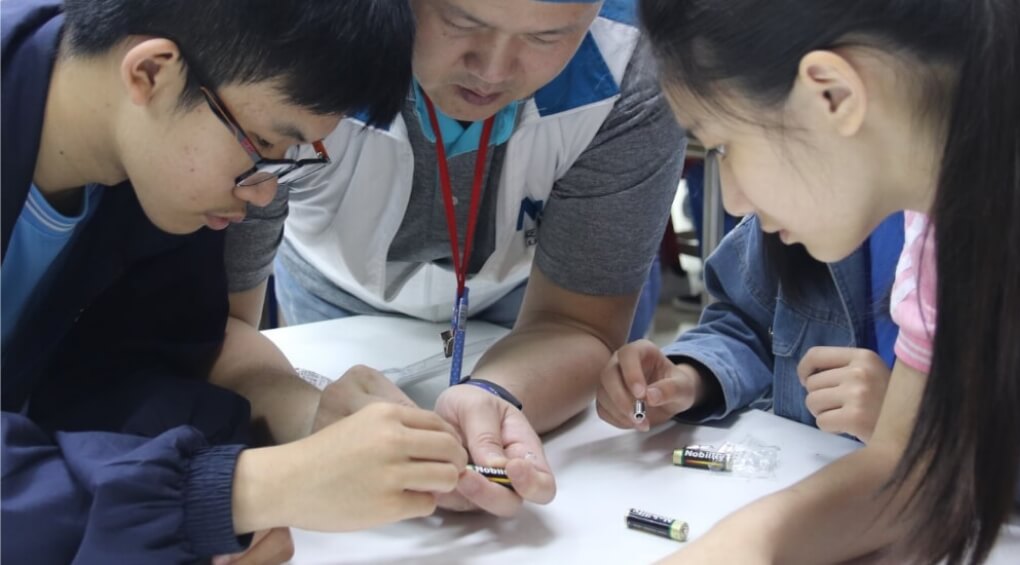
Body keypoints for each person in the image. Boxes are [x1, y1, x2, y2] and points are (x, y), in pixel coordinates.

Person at [633, 0, 1020, 563]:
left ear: (832, 94)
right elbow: (907, 464)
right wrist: (744, 545)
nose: (734, 200)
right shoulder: (952, 183)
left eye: (722, 145)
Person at [1, 1, 468, 562]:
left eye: (290, 157)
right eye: (263, 146)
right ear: (150, 72)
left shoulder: (151, 177)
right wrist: (238, 492)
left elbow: (137, 369)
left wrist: (306, 420)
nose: (264, 192)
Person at [222, 0, 685, 517]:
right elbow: (211, 331)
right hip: (332, 288)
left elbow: (580, 324)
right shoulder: (285, 36)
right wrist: (310, 414)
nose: (492, 70)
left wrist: (494, 398)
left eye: (546, 37)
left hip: (527, 303)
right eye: (461, 23)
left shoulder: (634, 65)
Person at [599, 214, 1020, 527]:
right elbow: (747, 317)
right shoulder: (791, 205)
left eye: (736, 146)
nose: (735, 200)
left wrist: (918, 426)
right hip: (829, 517)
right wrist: (692, 376)